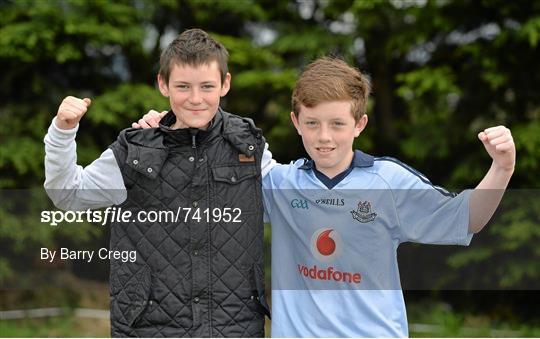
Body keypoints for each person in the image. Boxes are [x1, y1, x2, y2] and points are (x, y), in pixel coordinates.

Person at [137, 57, 515, 337]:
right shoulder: (279, 184)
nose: (324, 137)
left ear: (360, 124)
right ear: (295, 122)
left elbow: (467, 218)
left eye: (337, 124)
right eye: (313, 124)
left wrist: (502, 168)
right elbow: (207, 162)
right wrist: (169, 129)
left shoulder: (388, 182)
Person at [44, 28, 274, 337]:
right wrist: (62, 132)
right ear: (163, 84)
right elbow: (68, 195)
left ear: (225, 84)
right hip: (148, 329)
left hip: (235, 329)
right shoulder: (134, 149)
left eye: (207, 86)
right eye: (183, 86)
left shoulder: (250, 146)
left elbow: (296, 205)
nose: (195, 98)